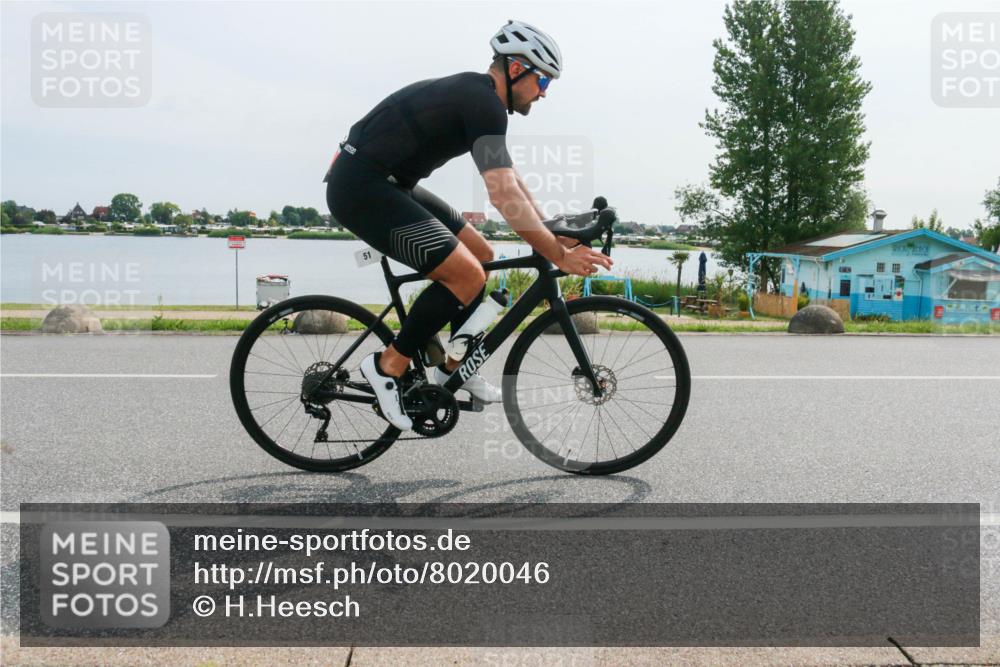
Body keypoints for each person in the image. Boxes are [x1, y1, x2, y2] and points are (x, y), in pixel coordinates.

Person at [324, 19, 613, 431]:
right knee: (465, 275)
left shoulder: (482, 99)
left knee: (482, 254)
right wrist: (557, 254)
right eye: (544, 80)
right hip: (361, 187)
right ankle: (388, 366)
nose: (545, 93)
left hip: (389, 184)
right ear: (516, 70)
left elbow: (510, 179)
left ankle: (451, 367)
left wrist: (552, 230)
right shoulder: (484, 103)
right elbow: (502, 197)